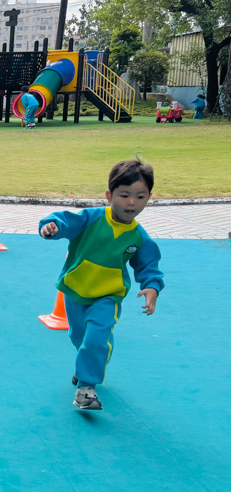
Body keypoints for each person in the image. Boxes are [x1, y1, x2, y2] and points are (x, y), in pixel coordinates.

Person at [39, 159, 164, 411]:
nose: (132, 203)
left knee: (96, 338)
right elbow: (64, 222)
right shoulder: (92, 218)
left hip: (109, 296)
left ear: (149, 198)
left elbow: (148, 264)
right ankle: (88, 361)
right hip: (76, 290)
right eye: (124, 195)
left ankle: (86, 387)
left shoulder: (139, 236)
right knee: (79, 337)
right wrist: (51, 227)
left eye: (140, 196)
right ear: (109, 196)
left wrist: (152, 287)